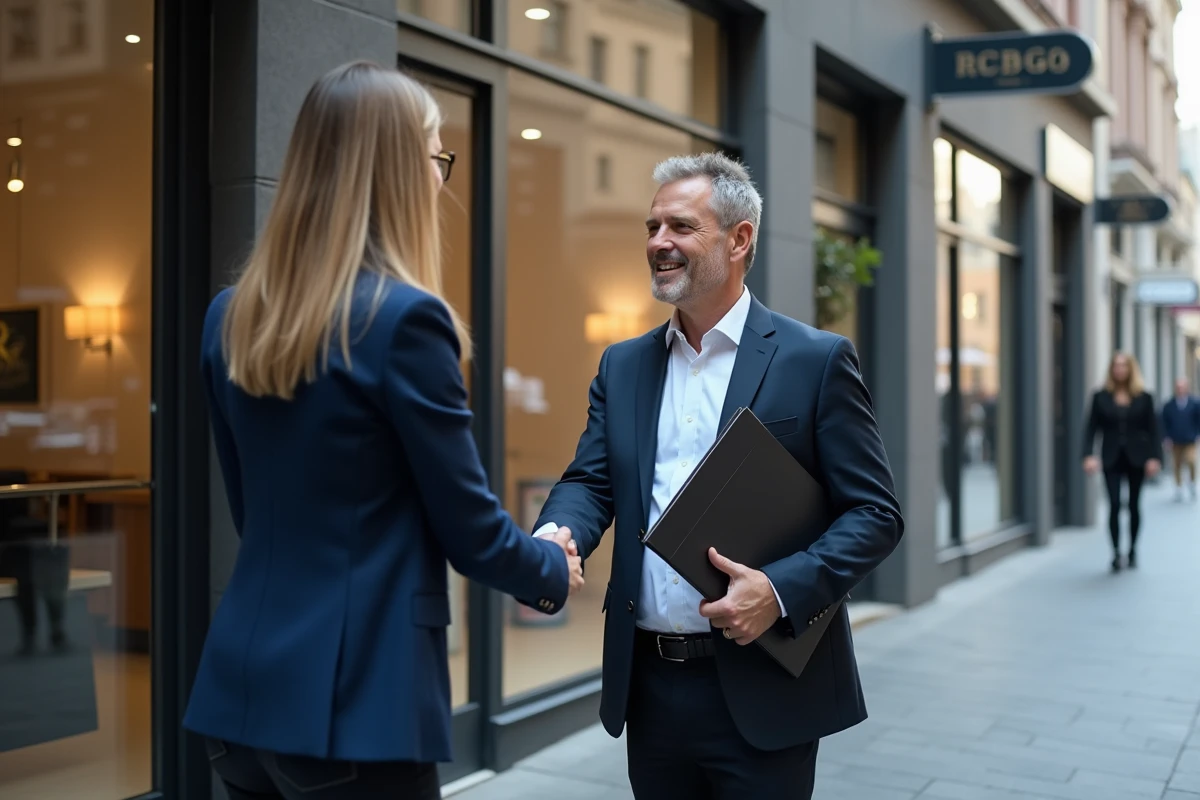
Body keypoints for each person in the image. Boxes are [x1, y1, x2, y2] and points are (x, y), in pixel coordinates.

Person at [182, 62, 583, 800]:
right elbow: (468, 529)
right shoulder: (405, 322)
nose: (441, 178)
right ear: (399, 168)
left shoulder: (229, 314)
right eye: (436, 155)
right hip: (355, 706)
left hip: (243, 695)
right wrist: (550, 566)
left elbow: (253, 511)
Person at [532, 153, 904, 800]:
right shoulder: (623, 366)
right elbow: (591, 482)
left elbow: (876, 514)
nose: (657, 243)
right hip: (649, 689)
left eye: (680, 226)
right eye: (651, 227)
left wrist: (780, 591)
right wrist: (554, 537)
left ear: (739, 240)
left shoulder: (815, 361)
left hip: (764, 690)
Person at [1083, 352, 1162, 572]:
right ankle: (1116, 552)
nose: (1119, 369)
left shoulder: (1144, 397)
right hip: (1111, 458)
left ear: (1130, 369)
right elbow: (1091, 428)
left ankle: (1133, 550)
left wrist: (1155, 457)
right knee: (1115, 504)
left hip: (1137, 458)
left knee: (1135, 505)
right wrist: (1088, 454)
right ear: (1111, 369)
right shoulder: (1100, 396)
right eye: (1116, 365)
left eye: (1123, 365)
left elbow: (1154, 430)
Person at [1161, 377, 1200, 501]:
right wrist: (1166, 437)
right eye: (1178, 387)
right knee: (1176, 464)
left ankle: (1192, 482)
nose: (1180, 389)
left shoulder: (1194, 403)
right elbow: (1164, 423)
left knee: (1191, 461)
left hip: (1190, 439)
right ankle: (1178, 487)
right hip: (1175, 439)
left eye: (1182, 387)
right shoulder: (1169, 405)